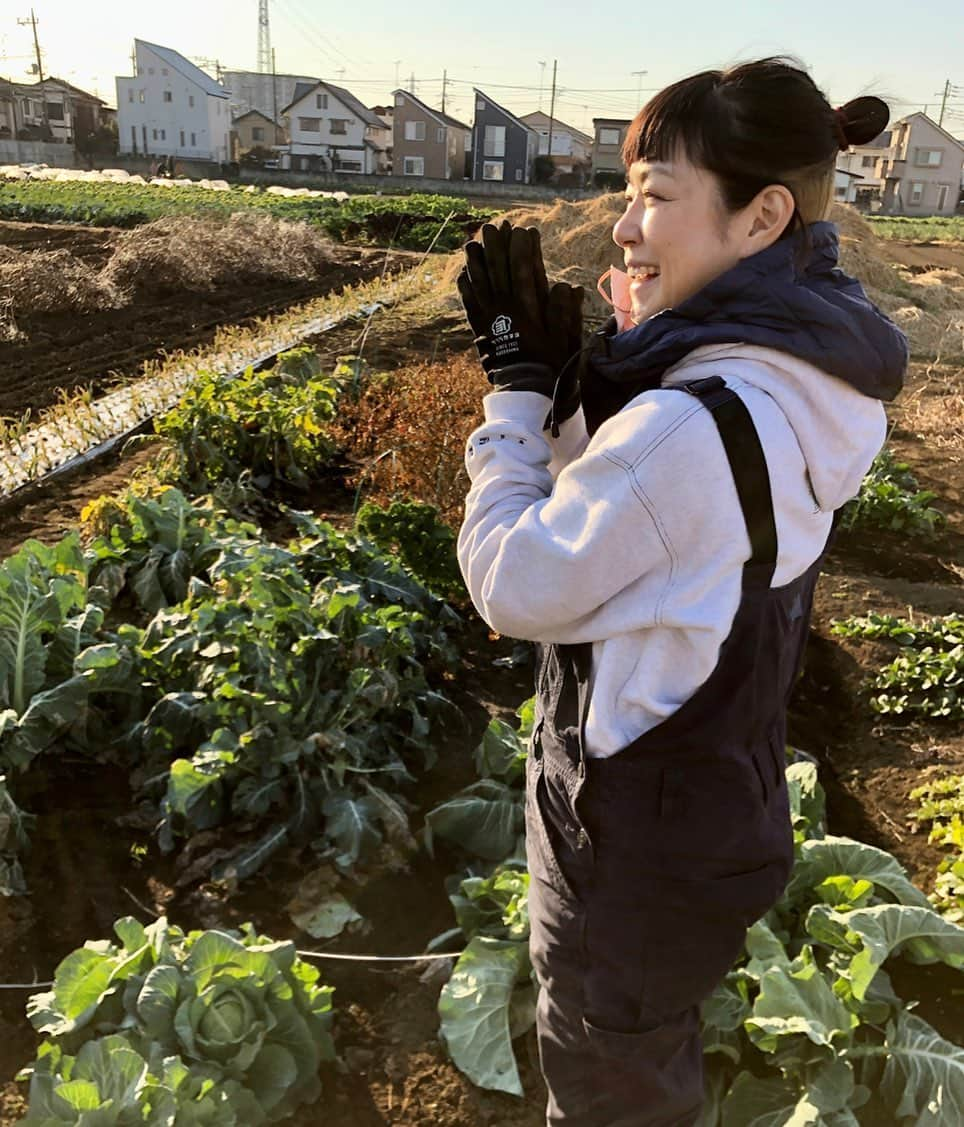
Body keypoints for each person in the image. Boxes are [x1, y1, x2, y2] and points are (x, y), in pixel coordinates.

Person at [455, 58, 907, 1127]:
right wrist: (591, 388)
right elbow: (667, 536)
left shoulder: (682, 426)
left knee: (613, 1087)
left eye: (655, 196)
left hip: (628, 848)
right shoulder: (809, 373)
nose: (623, 227)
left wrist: (515, 404)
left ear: (761, 218)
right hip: (715, 805)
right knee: (650, 1048)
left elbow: (513, 584)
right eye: (628, 195)